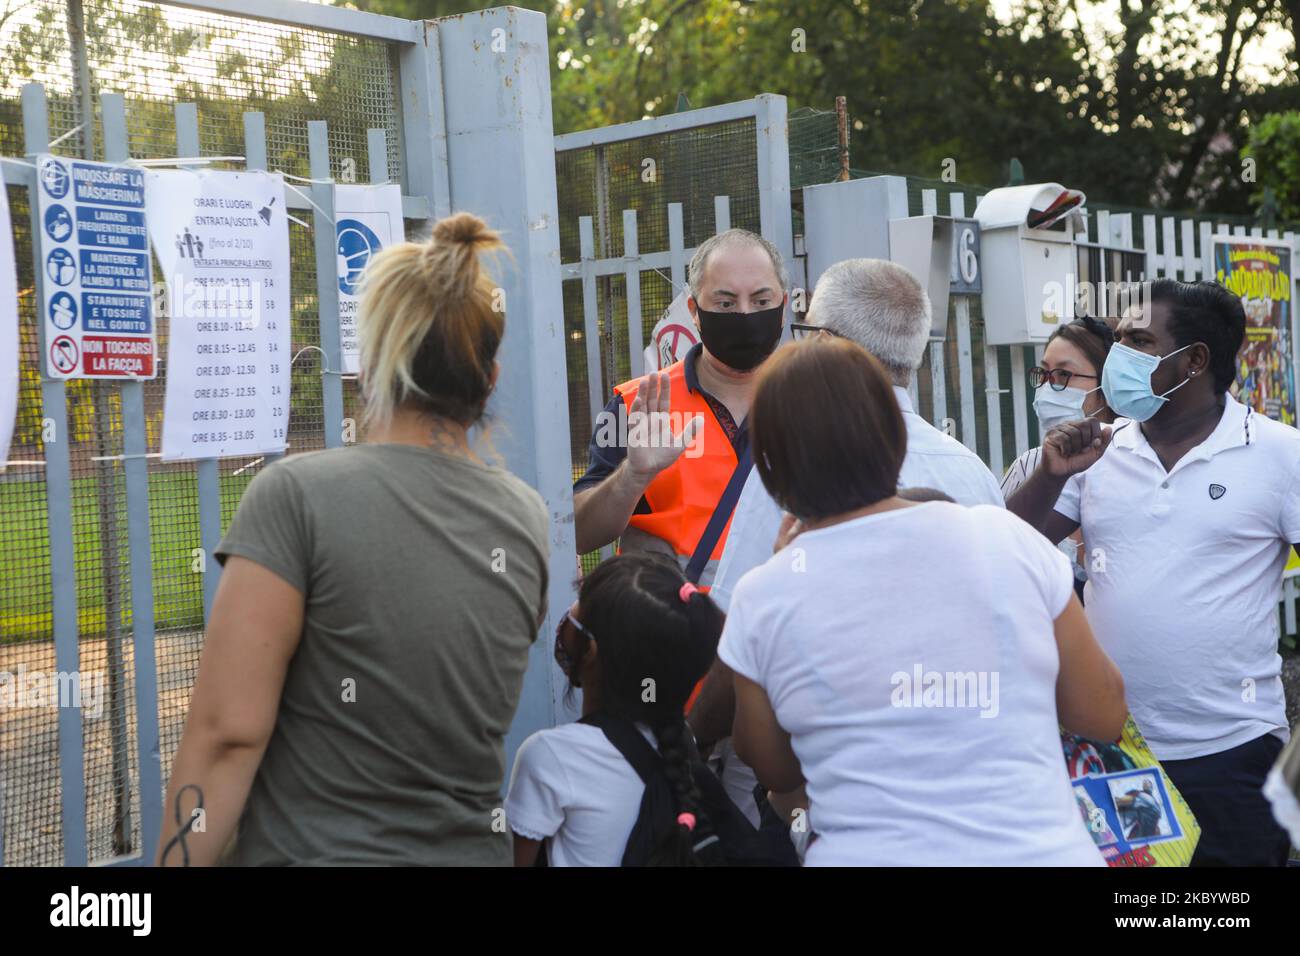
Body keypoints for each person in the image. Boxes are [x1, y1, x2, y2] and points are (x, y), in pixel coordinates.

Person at [156, 213, 550, 866]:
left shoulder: (296, 497)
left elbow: (228, 737)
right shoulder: (527, 517)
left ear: (370, 365)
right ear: (490, 379)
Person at [720, 336, 1127, 866]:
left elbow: (771, 767)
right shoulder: (1008, 540)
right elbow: (1101, 714)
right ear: (894, 437)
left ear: (769, 464)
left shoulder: (766, 594)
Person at [695, 257, 1004, 824]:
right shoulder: (973, 471)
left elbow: (735, 632)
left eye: (807, 331)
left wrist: (691, 741)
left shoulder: (791, 465)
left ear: (830, 345)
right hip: (962, 780)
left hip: (817, 793)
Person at [1006, 278, 1298, 866]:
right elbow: (1011, 547)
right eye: (1116, 340)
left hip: (1232, 751)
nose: (1118, 357)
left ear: (1194, 361)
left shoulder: (1278, 454)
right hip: (1112, 750)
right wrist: (1052, 474)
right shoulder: (1098, 448)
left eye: (1138, 340)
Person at [572, 228, 789, 589]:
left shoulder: (815, 404)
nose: (745, 313)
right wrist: (632, 478)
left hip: (778, 630)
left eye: (761, 301)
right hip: (669, 634)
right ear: (694, 310)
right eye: (725, 303)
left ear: (782, 306)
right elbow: (578, 535)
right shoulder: (634, 407)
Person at [505, 552, 724, 866]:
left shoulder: (549, 755)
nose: (566, 618)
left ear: (591, 651)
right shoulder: (681, 747)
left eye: (576, 608)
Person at [1000, 314, 1118, 597]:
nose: (1048, 388)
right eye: (1043, 374)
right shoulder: (1029, 466)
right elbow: (999, 551)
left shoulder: (1134, 462)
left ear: (1107, 387)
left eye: (1064, 375)